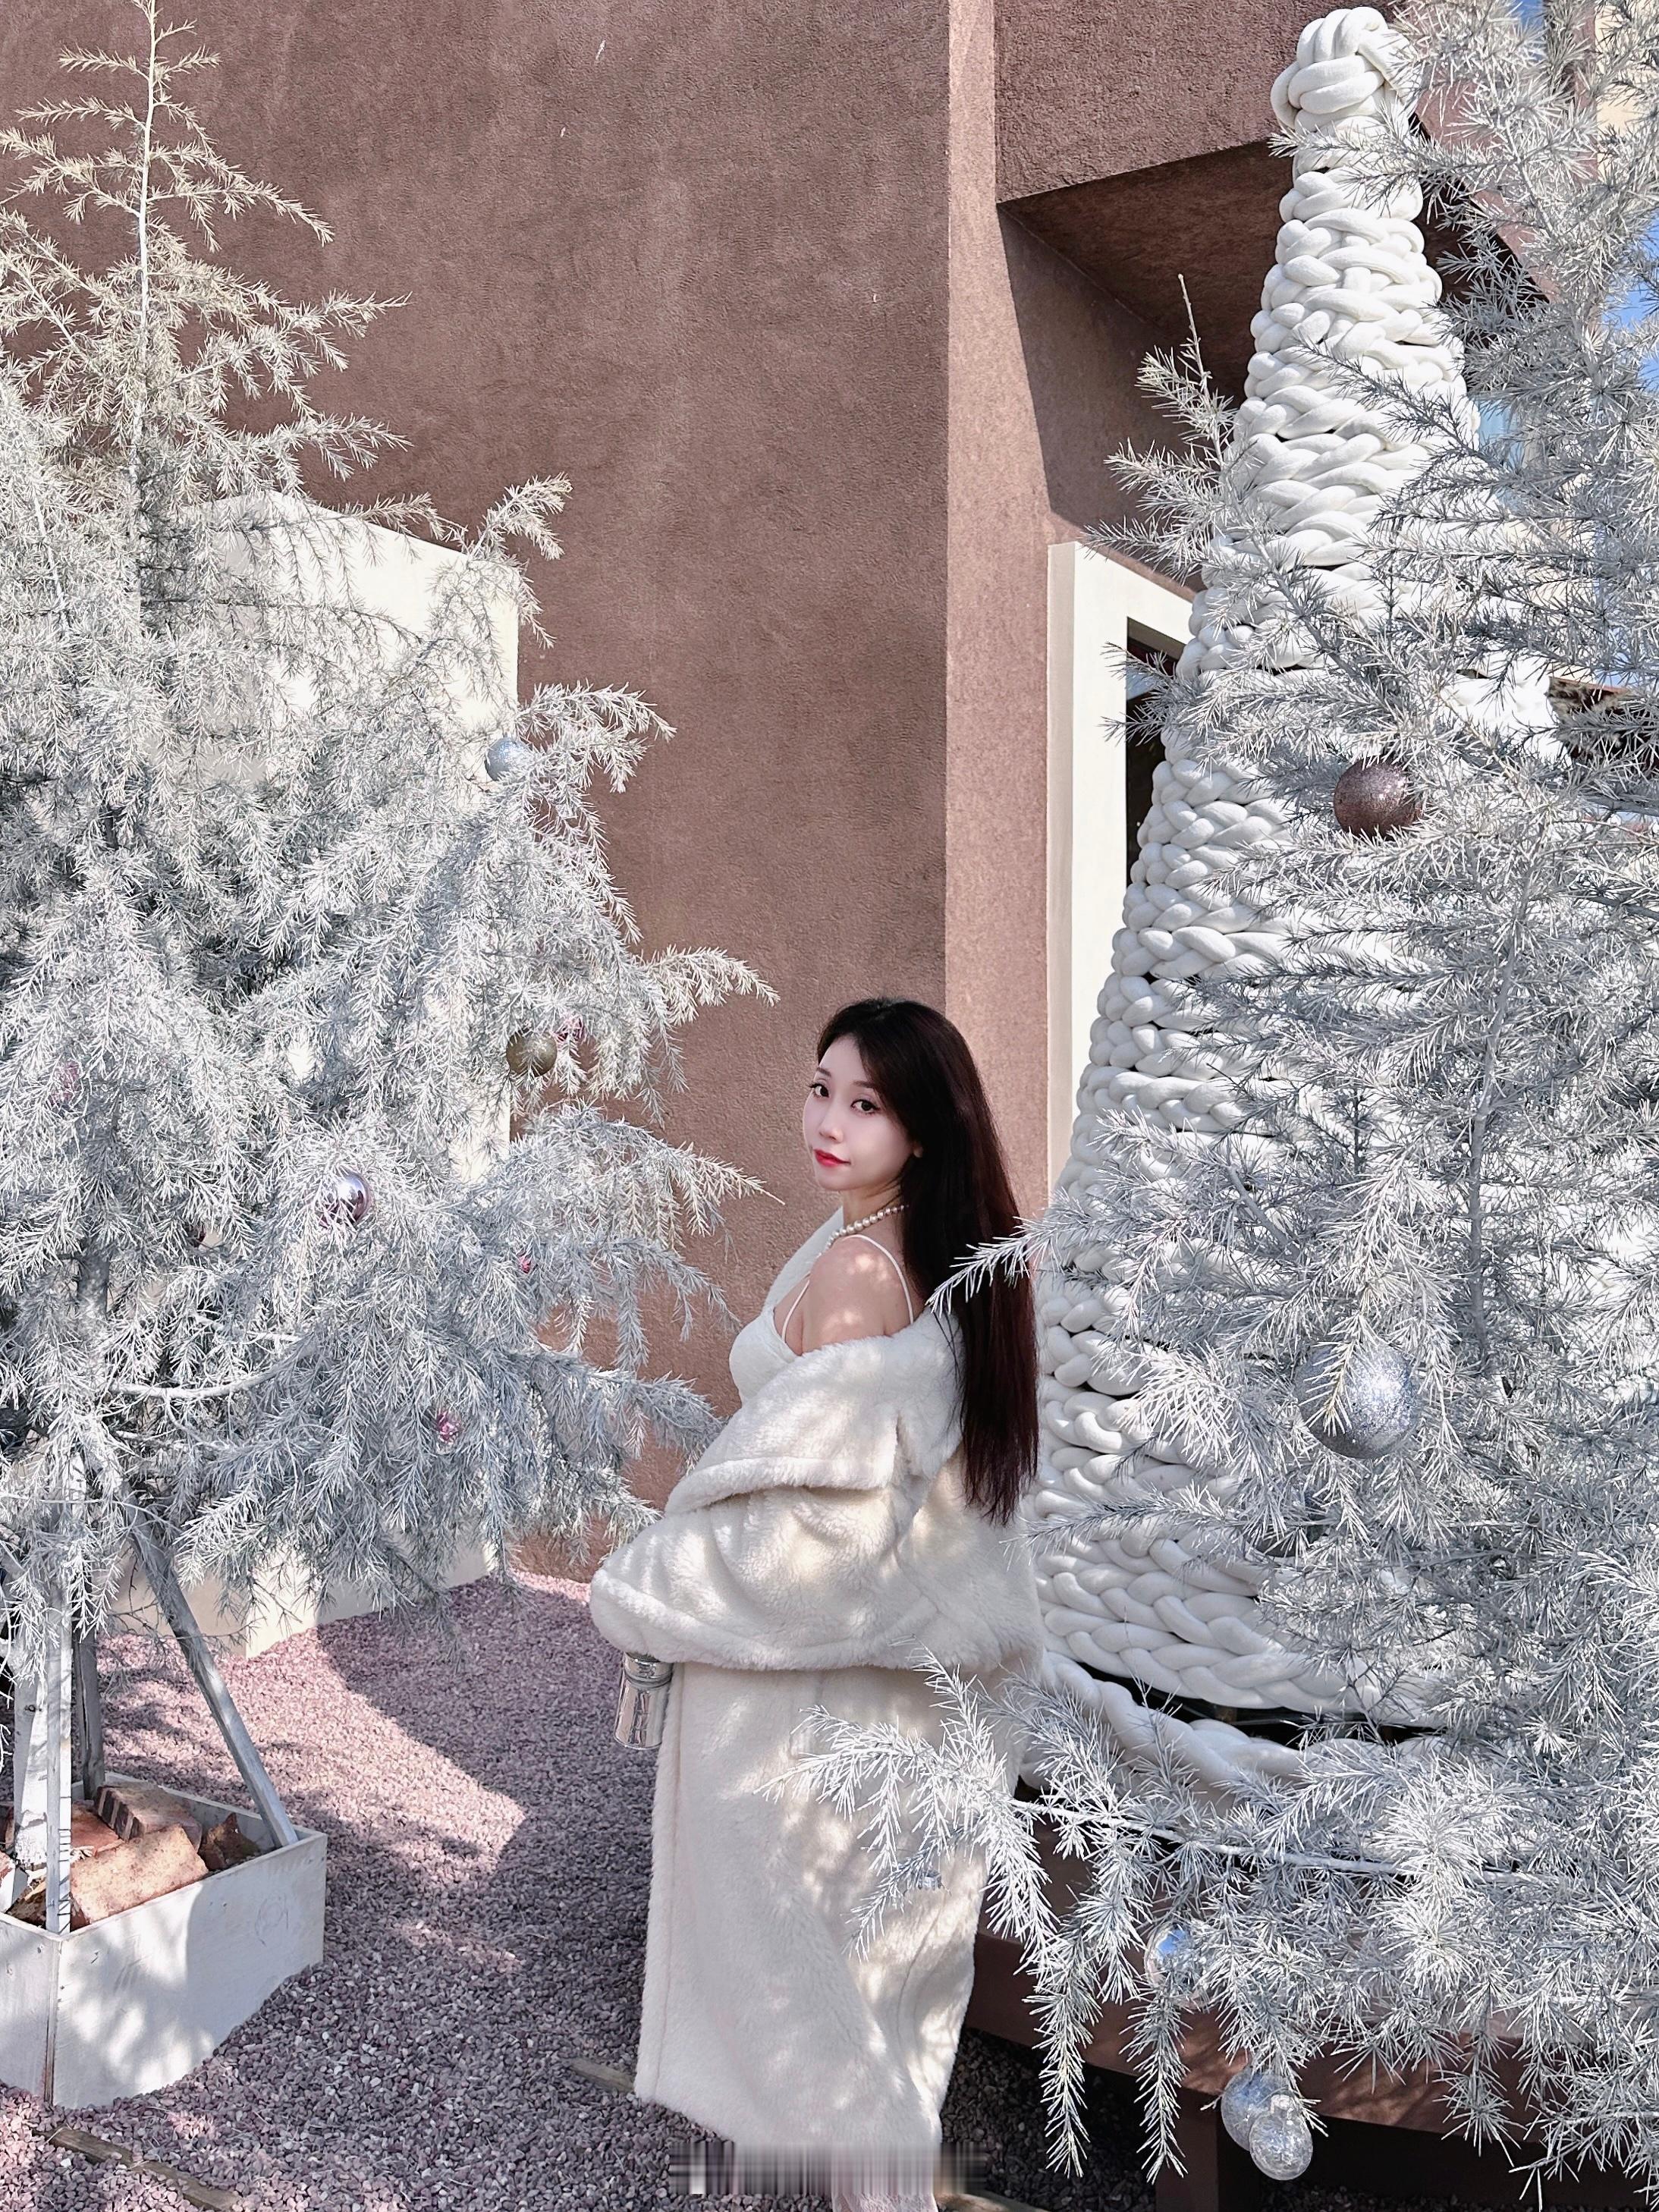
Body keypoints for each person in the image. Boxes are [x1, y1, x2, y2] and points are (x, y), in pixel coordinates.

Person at [587, 998, 1046, 2212]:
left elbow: (813, 1547)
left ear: (922, 1130)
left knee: (809, 1995)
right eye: (820, 1088)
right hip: (869, 1697)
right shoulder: (918, 1255)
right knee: (860, 1991)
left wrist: (648, 1584)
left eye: (866, 1103)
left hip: (797, 1703)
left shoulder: (856, 1271)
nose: (827, 1122)